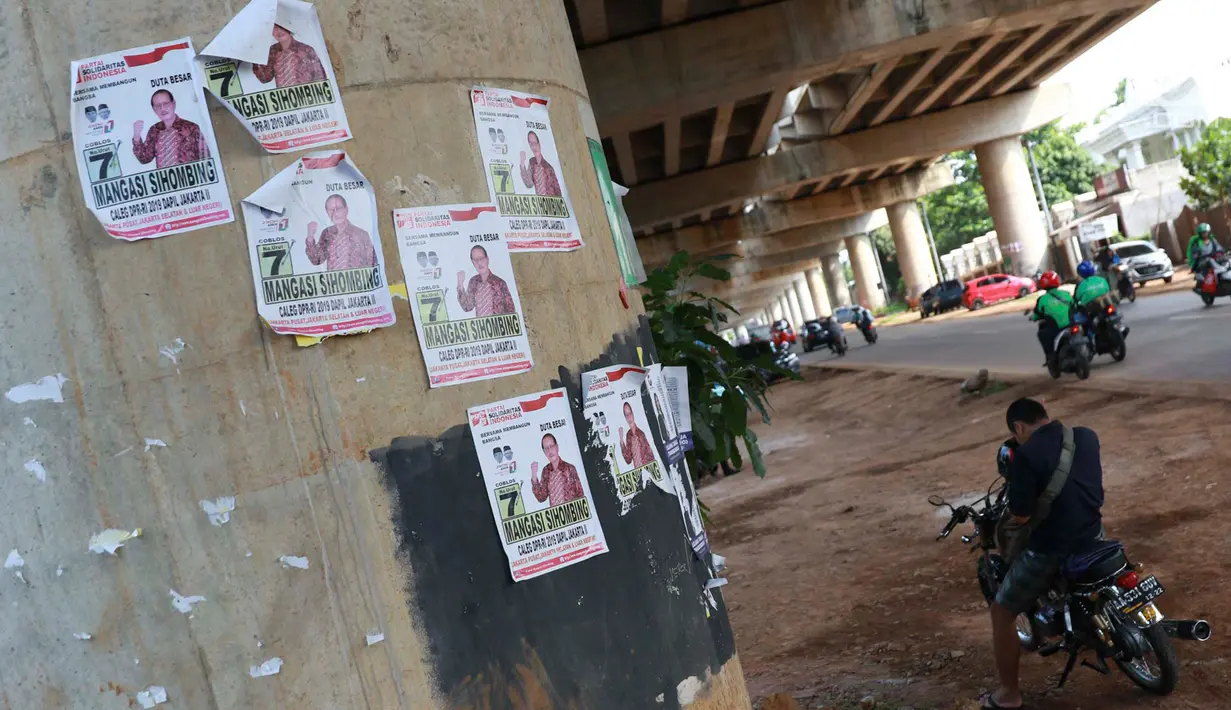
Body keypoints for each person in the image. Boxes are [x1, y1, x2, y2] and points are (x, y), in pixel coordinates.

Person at [982, 398, 1104, 709]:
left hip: (1053, 548)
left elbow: (1021, 516)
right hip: (1095, 535)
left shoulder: (1026, 456)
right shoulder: (1086, 435)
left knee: (1001, 612)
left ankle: (1009, 694)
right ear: (1045, 416)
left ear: (1019, 428)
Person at [132, 90, 210, 168]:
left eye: (165, 104)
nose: (162, 108)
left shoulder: (191, 128)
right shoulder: (154, 130)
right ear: (154, 109)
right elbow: (145, 159)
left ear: (173, 104)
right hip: (165, 178)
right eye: (158, 106)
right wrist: (136, 136)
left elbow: (205, 157)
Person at [305, 194, 378, 271]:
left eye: (339, 208)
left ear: (346, 209)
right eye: (331, 209)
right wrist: (310, 237)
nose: (335, 213)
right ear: (327, 213)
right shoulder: (327, 234)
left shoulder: (362, 234)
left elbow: (373, 263)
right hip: (334, 282)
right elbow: (316, 260)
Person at [252, 23, 327, 88]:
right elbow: (265, 78)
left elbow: (320, 78)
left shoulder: (306, 50)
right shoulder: (272, 51)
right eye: (274, 28)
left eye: (282, 27)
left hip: (307, 97)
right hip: (286, 99)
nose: (279, 31)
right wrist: (256, 56)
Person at [1027, 271, 1073, 365]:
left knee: (1042, 333)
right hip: (1072, 323)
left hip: (1056, 328)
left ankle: (1050, 356)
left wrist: (1033, 318)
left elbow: (1037, 314)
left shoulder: (1042, 299)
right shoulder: (1066, 294)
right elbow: (1074, 305)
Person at [457, 245, 516, 317]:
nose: (479, 263)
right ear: (472, 262)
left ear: (487, 259)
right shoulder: (473, 282)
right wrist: (460, 284)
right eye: (475, 260)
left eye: (481, 258)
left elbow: (511, 311)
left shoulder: (500, 283)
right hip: (481, 326)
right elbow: (467, 307)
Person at [530, 433, 584, 507]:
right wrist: (534, 475)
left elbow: (580, 495)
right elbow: (541, 497)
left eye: (551, 446)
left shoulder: (570, 468)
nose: (550, 451)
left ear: (557, 447)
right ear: (544, 452)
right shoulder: (546, 471)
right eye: (546, 448)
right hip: (556, 515)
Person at [519, 130, 562, 197]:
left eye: (535, 143)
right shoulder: (532, 162)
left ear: (539, 144)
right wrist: (522, 162)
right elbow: (529, 184)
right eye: (531, 144)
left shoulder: (548, 167)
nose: (534, 147)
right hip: (541, 203)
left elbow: (557, 191)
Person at [619, 401, 655, 468]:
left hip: (647, 471)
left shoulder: (641, 434)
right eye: (626, 415)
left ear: (633, 414)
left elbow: (650, 456)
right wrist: (621, 439)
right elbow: (628, 460)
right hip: (638, 474)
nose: (629, 417)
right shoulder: (628, 435)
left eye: (630, 413)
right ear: (625, 417)